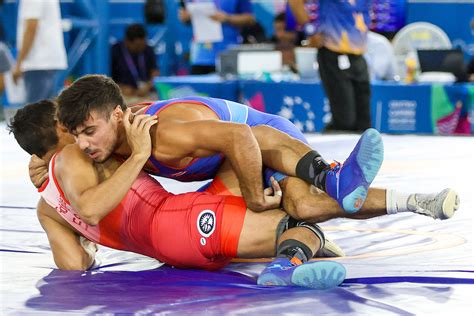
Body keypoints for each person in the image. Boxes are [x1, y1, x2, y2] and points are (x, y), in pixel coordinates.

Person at [8, 100, 346, 290]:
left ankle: (299, 239)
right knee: (299, 211)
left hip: (176, 244)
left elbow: (74, 265)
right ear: (62, 133)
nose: (85, 141)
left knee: (274, 192)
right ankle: (342, 196)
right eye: (75, 132)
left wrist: (84, 237)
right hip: (186, 222)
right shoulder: (81, 154)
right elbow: (91, 208)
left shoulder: (47, 206)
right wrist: (139, 154)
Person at [51, 74, 458, 224]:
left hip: (263, 138)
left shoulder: (163, 135)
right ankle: (421, 201)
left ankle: (330, 176)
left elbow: (239, 137)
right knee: (306, 208)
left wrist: (253, 196)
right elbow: (53, 137)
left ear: (119, 117)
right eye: (78, 135)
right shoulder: (104, 138)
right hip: (231, 153)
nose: (84, 144)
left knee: (296, 197)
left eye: (89, 131)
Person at [288, 0, 372, 132]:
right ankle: (331, 145)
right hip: (333, 54)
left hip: (359, 56)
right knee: (345, 120)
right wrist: (310, 31)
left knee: (364, 122)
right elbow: (295, 2)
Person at [178, 0, 256, 75]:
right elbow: (187, 17)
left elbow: (250, 19)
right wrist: (185, 17)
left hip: (227, 54)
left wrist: (227, 18)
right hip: (199, 56)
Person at [13, 0, 67, 104]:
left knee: (34, 115)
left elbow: (31, 28)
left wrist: (19, 63)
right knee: (45, 113)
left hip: (38, 62)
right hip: (46, 62)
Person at [111, 24, 159, 102]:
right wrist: (118, 87)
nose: (141, 48)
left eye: (143, 44)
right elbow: (107, 77)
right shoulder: (115, 51)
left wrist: (148, 85)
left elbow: (155, 72)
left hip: (145, 93)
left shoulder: (148, 49)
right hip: (123, 94)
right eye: (138, 45)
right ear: (127, 41)